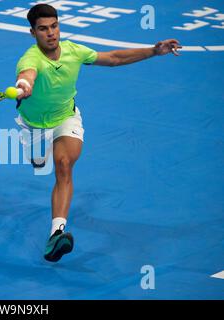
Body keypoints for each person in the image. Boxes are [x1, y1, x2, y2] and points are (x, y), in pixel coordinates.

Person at [15, 4, 181, 262]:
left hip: (65, 117)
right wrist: (24, 85)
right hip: (33, 127)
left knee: (63, 164)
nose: (50, 33)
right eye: (43, 29)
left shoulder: (74, 51)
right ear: (32, 33)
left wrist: (153, 51)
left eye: (54, 26)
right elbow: (28, 75)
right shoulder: (30, 59)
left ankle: (56, 234)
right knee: (42, 164)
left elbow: (113, 58)